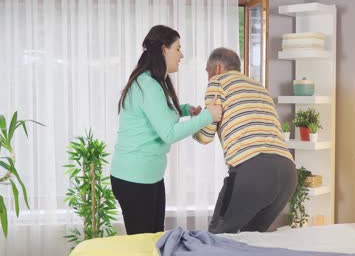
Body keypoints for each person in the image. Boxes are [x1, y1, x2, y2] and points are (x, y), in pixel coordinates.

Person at [110, 25, 222, 235]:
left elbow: (157, 114)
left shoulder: (153, 81)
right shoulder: (148, 85)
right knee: (143, 243)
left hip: (148, 176)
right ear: (163, 49)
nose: (181, 55)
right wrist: (209, 115)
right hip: (134, 177)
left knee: (155, 238)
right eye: (178, 48)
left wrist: (186, 110)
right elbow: (169, 133)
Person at [193, 47, 297, 234]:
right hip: (287, 173)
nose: (208, 77)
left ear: (217, 68)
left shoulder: (218, 82)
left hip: (254, 170)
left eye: (207, 72)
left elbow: (205, 136)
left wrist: (198, 120)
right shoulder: (259, 87)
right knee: (251, 240)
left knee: (218, 236)